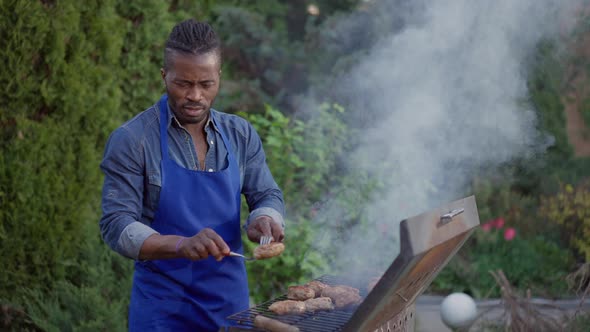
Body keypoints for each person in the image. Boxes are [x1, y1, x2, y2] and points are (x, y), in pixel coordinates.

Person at [99, 19, 285, 331]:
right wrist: (180, 245)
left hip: (230, 309)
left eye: (206, 84)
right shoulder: (133, 140)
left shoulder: (239, 133)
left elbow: (266, 194)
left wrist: (265, 218)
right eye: (183, 83)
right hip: (163, 312)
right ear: (164, 76)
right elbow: (116, 225)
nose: (195, 95)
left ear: (219, 78)